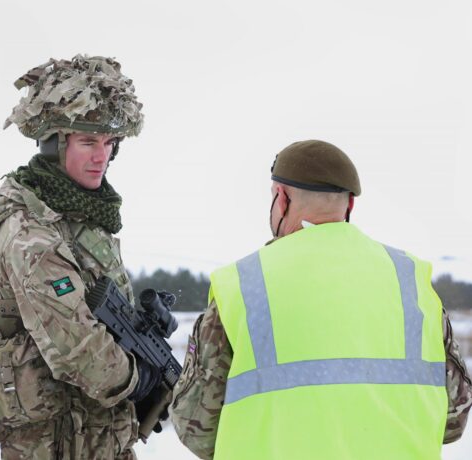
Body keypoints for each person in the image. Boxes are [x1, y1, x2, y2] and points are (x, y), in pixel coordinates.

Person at [170, 140, 472, 459]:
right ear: (350, 205)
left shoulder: (244, 284)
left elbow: (196, 428)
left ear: (281, 196)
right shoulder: (410, 279)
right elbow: (454, 420)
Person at [0, 55, 159, 459]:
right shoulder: (29, 233)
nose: (101, 157)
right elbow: (78, 348)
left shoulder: (81, 220)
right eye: (88, 142)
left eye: (109, 144)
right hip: (54, 446)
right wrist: (137, 378)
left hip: (99, 441)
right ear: (55, 144)